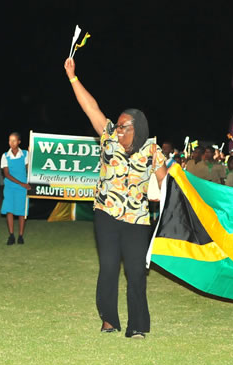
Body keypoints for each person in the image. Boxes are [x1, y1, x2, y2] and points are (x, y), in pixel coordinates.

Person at [64, 57, 166, 339]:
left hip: (137, 219)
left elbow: (166, 182)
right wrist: (73, 76)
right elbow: (91, 107)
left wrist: (167, 200)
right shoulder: (108, 137)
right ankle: (109, 319)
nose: (118, 129)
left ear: (137, 128)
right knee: (108, 266)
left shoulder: (152, 150)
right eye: (118, 125)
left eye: (124, 126)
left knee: (135, 272)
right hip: (106, 213)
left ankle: (137, 325)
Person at [0, 132, 31, 245]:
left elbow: (29, 169)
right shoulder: (5, 156)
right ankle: (11, 235)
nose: (11, 143)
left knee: (21, 211)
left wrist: (32, 155)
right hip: (10, 186)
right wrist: (21, 183)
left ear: (19, 142)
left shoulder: (25, 154)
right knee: (9, 210)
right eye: (9, 140)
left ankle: (21, 236)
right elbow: (7, 174)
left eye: (14, 140)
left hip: (22, 187)